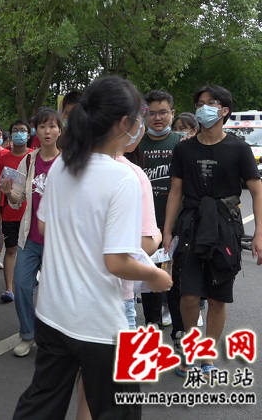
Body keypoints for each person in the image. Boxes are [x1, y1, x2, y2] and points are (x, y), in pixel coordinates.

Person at [12, 76, 172, 419]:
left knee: (41, 403)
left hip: (52, 314)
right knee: (120, 411)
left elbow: (44, 226)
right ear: (123, 123)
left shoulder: (61, 167)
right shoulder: (124, 178)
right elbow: (117, 262)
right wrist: (156, 278)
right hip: (102, 324)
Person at [163, 84, 262, 376]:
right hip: (192, 227)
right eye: (200, 102)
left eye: (210, 103)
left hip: (226, 229)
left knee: (218, 298)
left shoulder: (239, 149)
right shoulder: (184, 149)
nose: (203, 107)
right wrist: (167, 231)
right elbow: (175, 191)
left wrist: (258, 233)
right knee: (189, 296)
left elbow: (257, 191)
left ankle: (207, 355)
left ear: (224, 111)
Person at [5, 108, 61, 357]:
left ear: (60, 129)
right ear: (35, 131)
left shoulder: (68, 162)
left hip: (58, 241)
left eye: (52, 126)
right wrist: (9, 192)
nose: (47, 131)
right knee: (22, 285)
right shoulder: (28, 160)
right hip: (29, 237)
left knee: (54, 292)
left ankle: (52, 338)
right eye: (42, 127)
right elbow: (17, 199)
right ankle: (27, 334)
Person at [125, 90, 182, 331]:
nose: (157, 118)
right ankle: (152, 326)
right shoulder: (135, 144)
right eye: (152, 113)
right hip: (143, 229)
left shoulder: (181, 144)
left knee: (175, 281)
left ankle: (180, 333)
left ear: (172, 113)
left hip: (175, 226)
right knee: (148, 280)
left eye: (163, 112)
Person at [0, 120, 33, 303]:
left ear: (29, 134)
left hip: (31, 213)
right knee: (10, 250)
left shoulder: (34, 157)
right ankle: (9, 289)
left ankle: (27, 285)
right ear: (10, 135)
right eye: (16, 131)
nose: (19, 134)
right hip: (10, 212)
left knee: (29, 250)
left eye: (23, 131)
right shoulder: (4, 159)